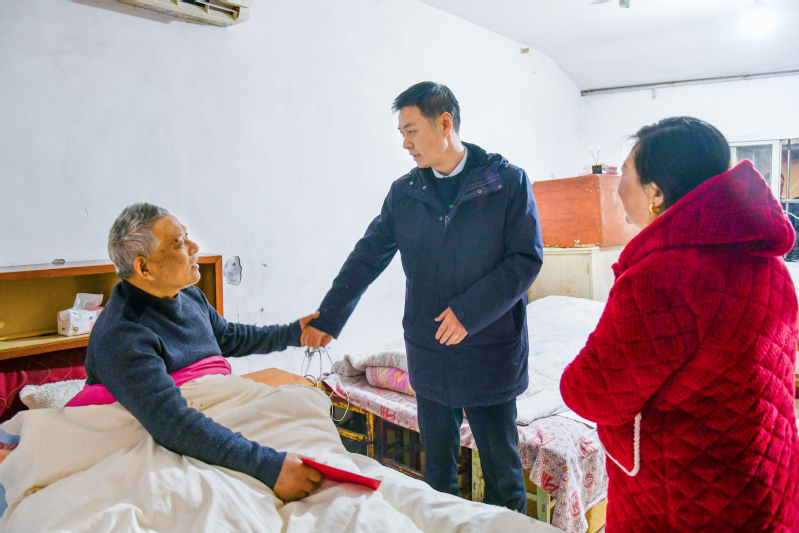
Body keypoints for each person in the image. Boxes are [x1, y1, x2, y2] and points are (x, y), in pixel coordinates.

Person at [302, 82, 544, 512]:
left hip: (489, 349)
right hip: (430, 349)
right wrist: (329, 317)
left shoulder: (506, 182)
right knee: (437, 478)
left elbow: (525, 260)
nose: (405, 143)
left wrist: (468, 312)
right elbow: (367, 257)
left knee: (503, 480)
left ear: (444, 123)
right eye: (401, 133)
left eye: (411, 130)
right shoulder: (406, 193)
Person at [560, 117, 799, 532]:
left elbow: (591, 392)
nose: (618, 186)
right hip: (764, 478)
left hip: (688, 502)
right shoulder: (768, 261)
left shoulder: (661, 277)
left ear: (655, 192)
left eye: (625, 173)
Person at [76, 203, 323, 502]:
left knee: (306, 402)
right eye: (179, 243)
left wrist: (295, 333)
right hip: (168, 430)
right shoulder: (123, 334)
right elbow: (171, 423)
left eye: (187, 235)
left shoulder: (190, 295)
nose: (195, 247)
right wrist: (267, 467)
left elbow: (228, 337)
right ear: (144, 268)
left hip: (208, 414)